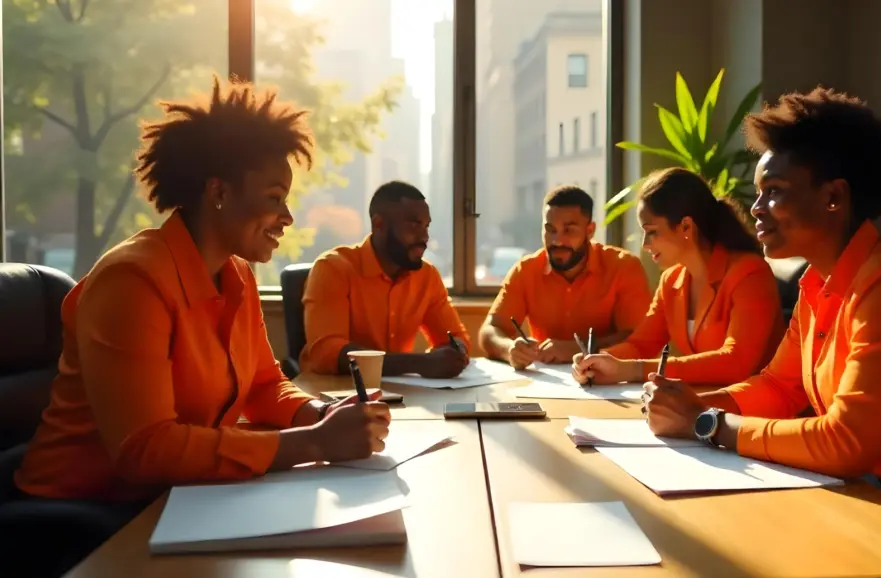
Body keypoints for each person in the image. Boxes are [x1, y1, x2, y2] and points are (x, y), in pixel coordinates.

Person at [643, 88, 881, 532]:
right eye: (758, 193)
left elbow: (845, 441)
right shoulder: (819, 281)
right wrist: (690, 406)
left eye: (774, 192)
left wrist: (707, 423)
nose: (757, 209)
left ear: (833, 198)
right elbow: (780, 388)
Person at [14, 76, 392, 504]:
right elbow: (145, 449)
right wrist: (313, 444)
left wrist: (321, 414)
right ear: (219, 192)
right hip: (83, 513)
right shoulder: (132, 282)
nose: (287, 216)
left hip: (173, 498)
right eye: (274, 197)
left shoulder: (237, 275)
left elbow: (263, 384)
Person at [572, 168, 784, 387]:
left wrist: (634, 369)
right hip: (704, 406)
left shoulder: (749, 273)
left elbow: (736, 362)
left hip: (757, 412)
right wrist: (599, 360)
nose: (645, 244)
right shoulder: (671, 281)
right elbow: (640, 345)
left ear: (686, 227)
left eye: (652, 231)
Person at [300, 181, 470, 378]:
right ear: (379, 224)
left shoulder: (427, 276)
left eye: (426, 226)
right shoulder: (333, 268)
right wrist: (419, 364)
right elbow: (326, 352)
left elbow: (456, 337)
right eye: (414, 225)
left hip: (400, 395)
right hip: (333, 394)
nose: (424, 236)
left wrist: (457, 351)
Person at [479, 185, 652, 369]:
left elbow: (638, 339)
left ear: (590, 230)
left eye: (569, 230)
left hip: (609, 382)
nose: (557, 241)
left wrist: (578, 348)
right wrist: (509, 349)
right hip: (546, 384)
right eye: (550, 229)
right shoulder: (526, 270)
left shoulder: (623, 267)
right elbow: (489, 331)